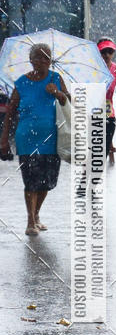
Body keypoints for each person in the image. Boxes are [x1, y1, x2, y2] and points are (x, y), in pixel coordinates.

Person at [0, 43, 70, 236]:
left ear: (50, 60)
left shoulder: (56, 78)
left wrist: (57, 93)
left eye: (45, 57)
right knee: (31, 181)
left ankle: (37, 215)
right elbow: (11, 112)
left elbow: (69, 102)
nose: (41, 61)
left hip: (51, 139)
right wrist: (4, 139)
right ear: (30, 60)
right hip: (27, 139)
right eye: (36, 57)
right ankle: (30, 221)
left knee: (46, 182)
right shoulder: (21, 82)